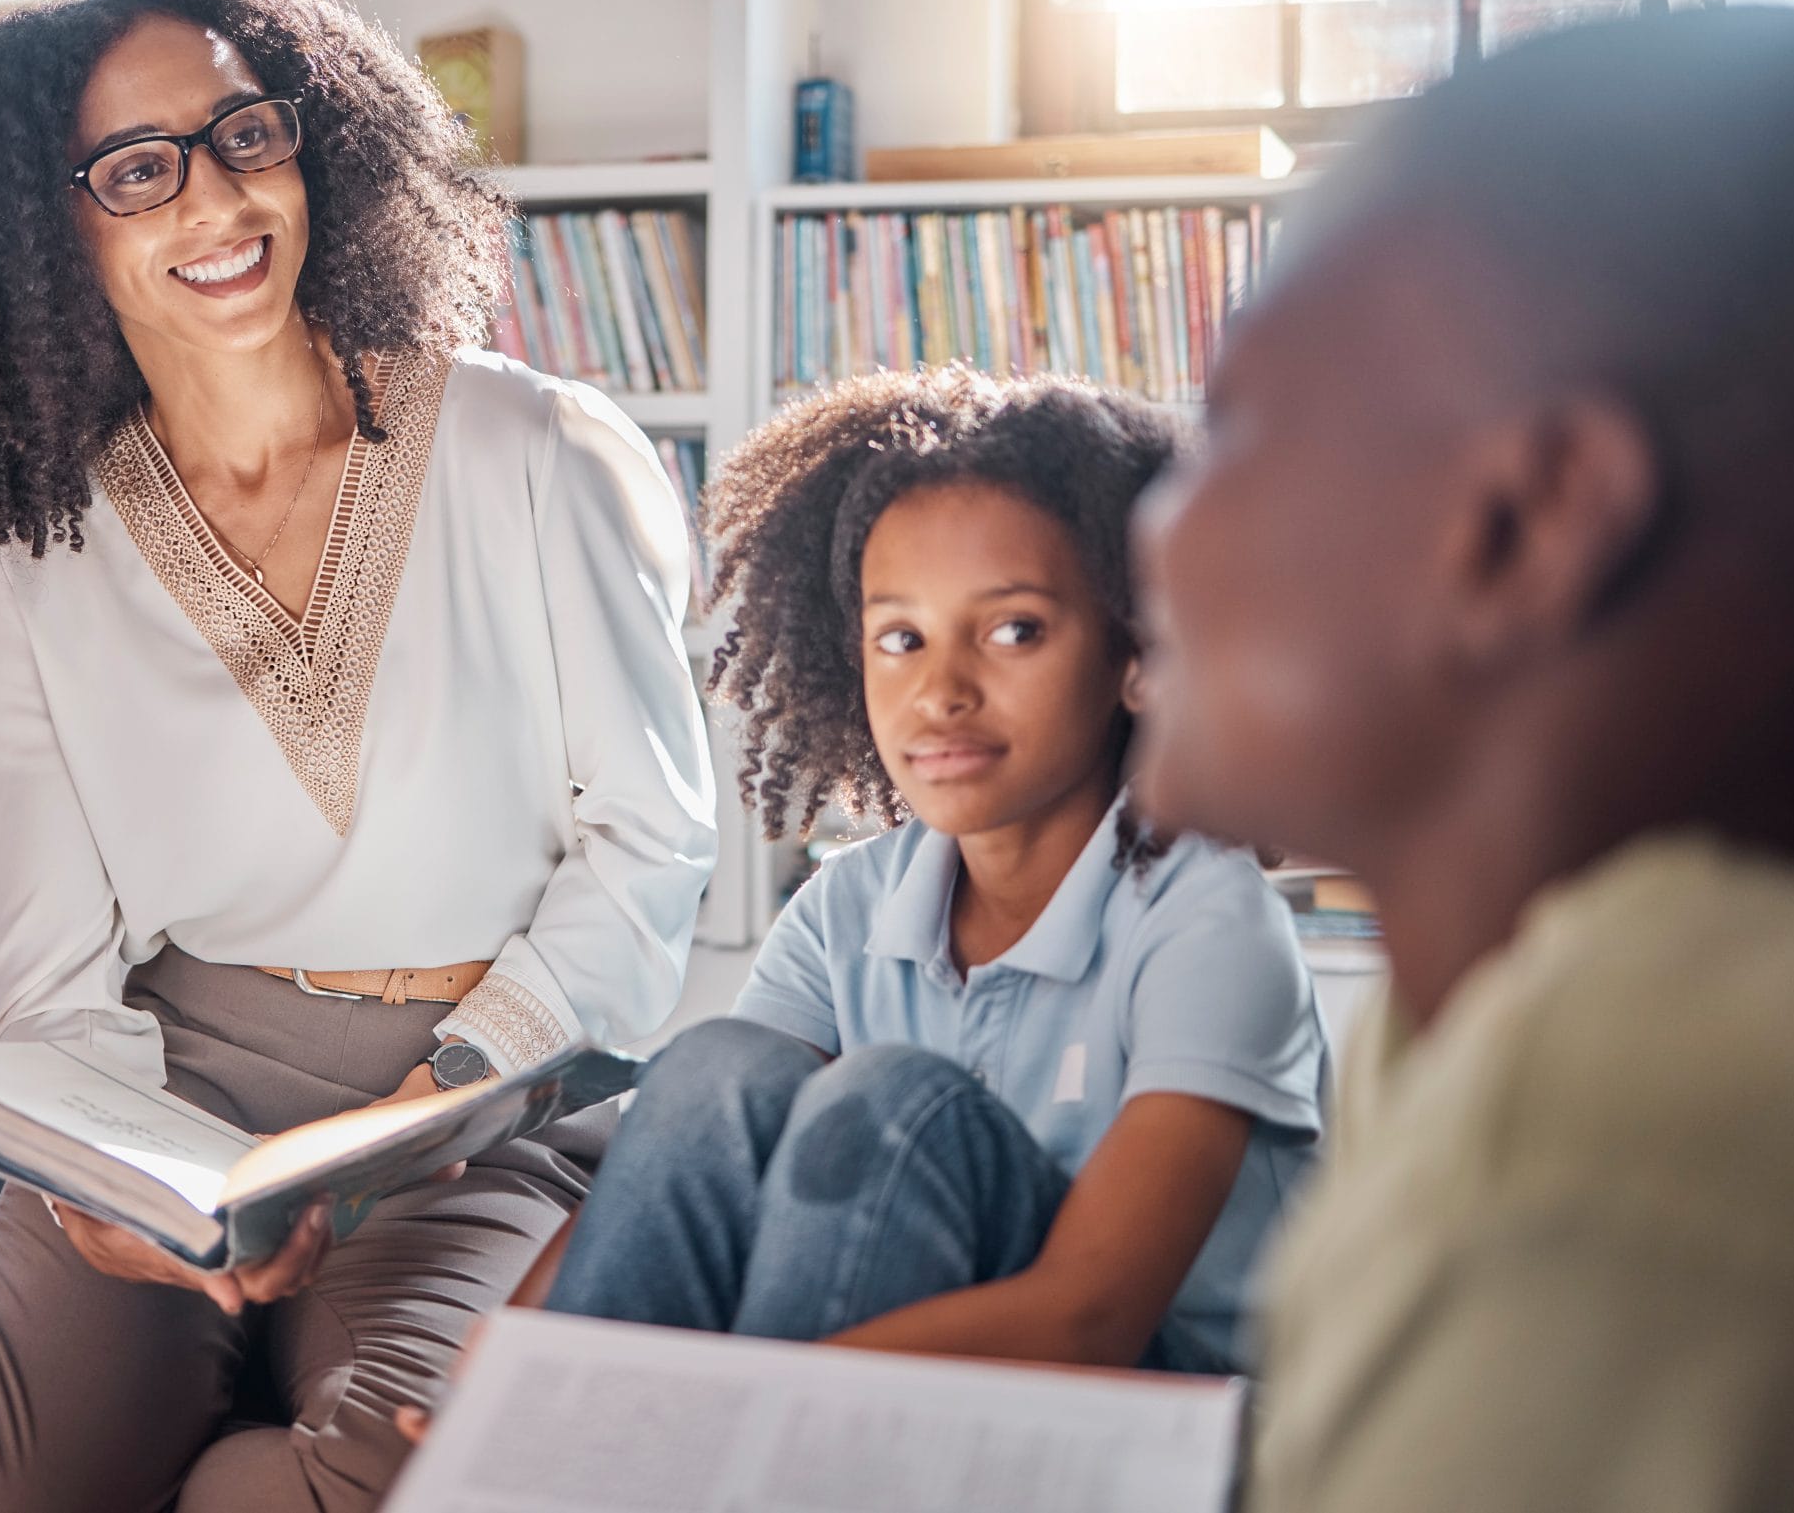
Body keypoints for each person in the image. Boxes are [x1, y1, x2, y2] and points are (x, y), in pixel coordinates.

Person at [0, 0, 716, 1513]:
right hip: (180, 1083)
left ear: (315, 141)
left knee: (408, 1487)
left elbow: (652, 837)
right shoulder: (31, 560)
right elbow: (60, 959)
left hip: (480, 1093)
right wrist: (106, 1189)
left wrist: (451, 1090)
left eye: (245, 134)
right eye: (138, 170)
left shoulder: (540, 452)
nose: (215, 205)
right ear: (45, 230)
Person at [1130, 8, 1794, 1511]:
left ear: (1523, 527)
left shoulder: (1603, 1179)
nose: (1156, 531)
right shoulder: (1502, 1021)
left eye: (1230, 429)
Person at [514, 367, 1324, 1373]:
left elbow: (1088, 1318)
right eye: (899, 638)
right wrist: (494, 1380)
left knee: (894, 1105)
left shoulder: (1206, 917)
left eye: (1013, 630)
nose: (940, 690)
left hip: (1160, 1427)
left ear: (1137, 656)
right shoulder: (847, 908)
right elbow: (684, 1148)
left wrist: (724, 1411)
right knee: (715, 1068)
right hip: (872, 1408)